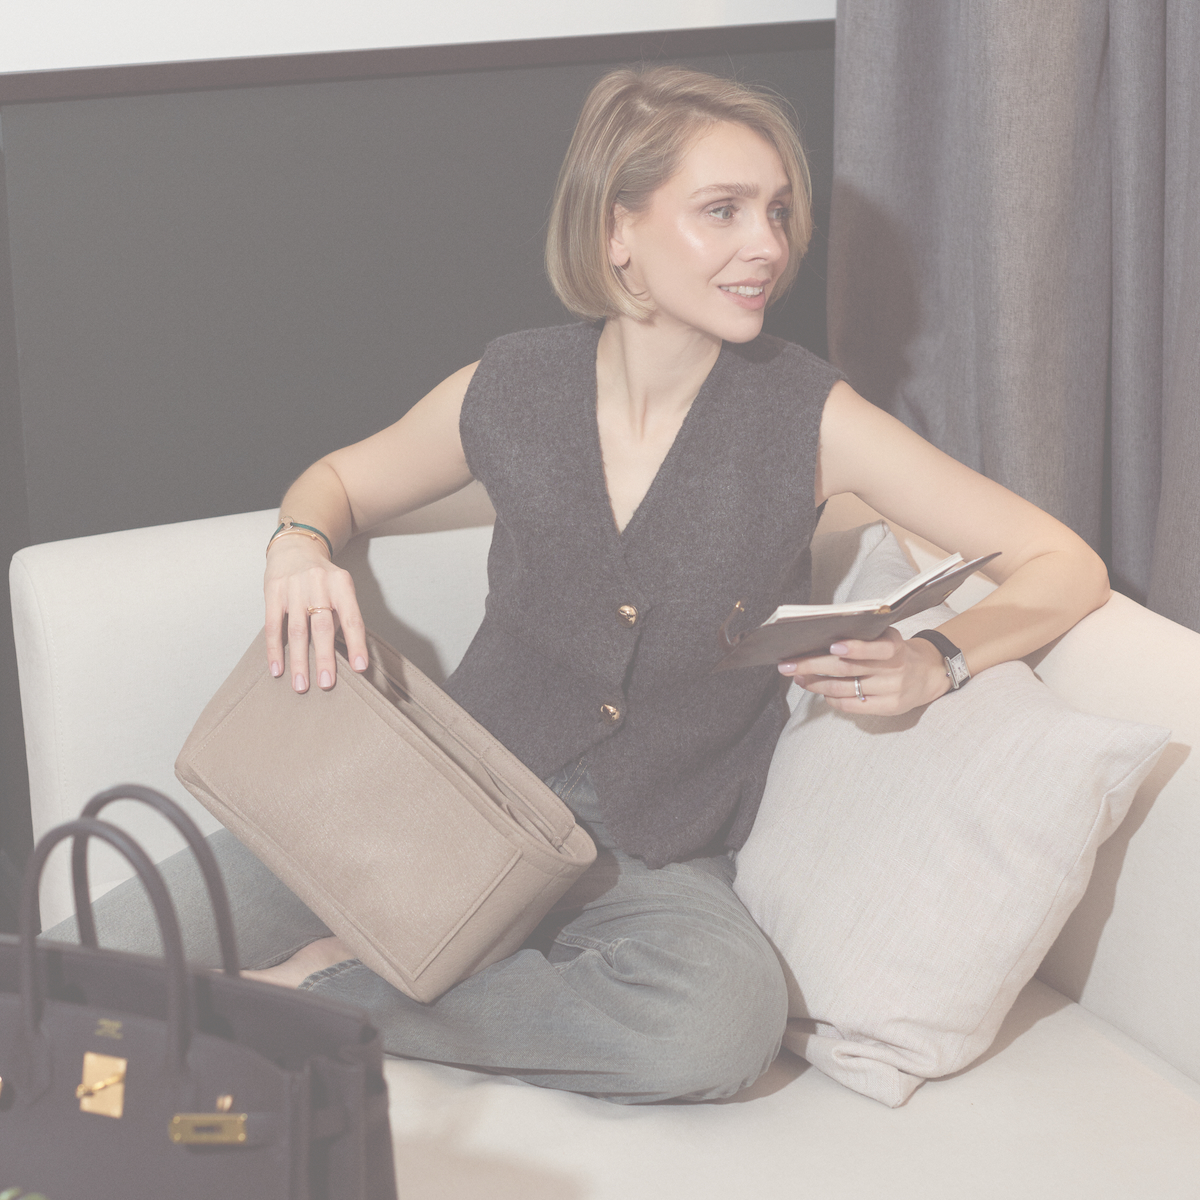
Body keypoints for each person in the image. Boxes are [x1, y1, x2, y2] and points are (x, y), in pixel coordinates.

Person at [53, 66, 1110, 1103]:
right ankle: (407, 959)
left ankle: (323, 999)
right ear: (619, 231)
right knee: (84, 956)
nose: (768, 245)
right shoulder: (510, 386)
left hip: (651, 861)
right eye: (724, 210)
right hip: (440, 806)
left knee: (717, 1027)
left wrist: (938, 658)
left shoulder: (814, 418)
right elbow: (337, 481)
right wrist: (297, 546)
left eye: (779, 211)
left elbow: (1065, 564)